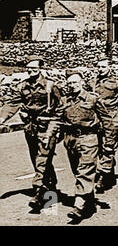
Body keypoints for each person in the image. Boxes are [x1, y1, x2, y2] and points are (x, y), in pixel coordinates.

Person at [0, 55, 63, 212]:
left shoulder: (50, 85)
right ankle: (51, 186)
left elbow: (62, 105)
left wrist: (60, 126)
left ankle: (39, 193)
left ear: (41, 68)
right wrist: (2, 118)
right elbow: (12, 103)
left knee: (43, 158)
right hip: (31, 128)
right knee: (37, 158)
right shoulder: (23, 86)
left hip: (48, 127)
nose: (31, 71)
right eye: (28, 68)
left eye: (34, 68)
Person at [49, 70, 102, 221]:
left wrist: (107, 144)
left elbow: (106, 120)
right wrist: (49, 136)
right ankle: (89, 202)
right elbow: (57, 119)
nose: (72, 85)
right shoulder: (65, 101)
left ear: (82, 82)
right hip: (70, 140)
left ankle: (79, 205)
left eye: (75, 82)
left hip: (89, 138)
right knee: (77, 171)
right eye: (69, 83)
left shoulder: (92, 98)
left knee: (84, 171)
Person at [92, 56, 118, 194]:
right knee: (98, 148)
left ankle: (103, 178)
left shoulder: (116, 83)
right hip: (96, 120)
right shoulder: (92, 82)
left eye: (103, 67)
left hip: (111, 119)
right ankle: (109, 174)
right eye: (98, 66)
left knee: (108, 147)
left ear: (109, 67)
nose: (100, 69)